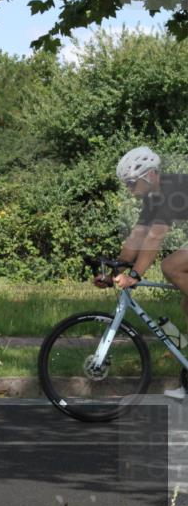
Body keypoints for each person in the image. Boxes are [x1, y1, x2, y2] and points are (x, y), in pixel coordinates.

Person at [107, 146, 188, 400]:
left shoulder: (171, 189)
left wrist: (135, 275)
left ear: (150, 175)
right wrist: (116, 268)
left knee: (171, 266)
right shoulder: (152, 198)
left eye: (131, 183)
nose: (129, 189)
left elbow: (156, 235)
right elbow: (138, 235)